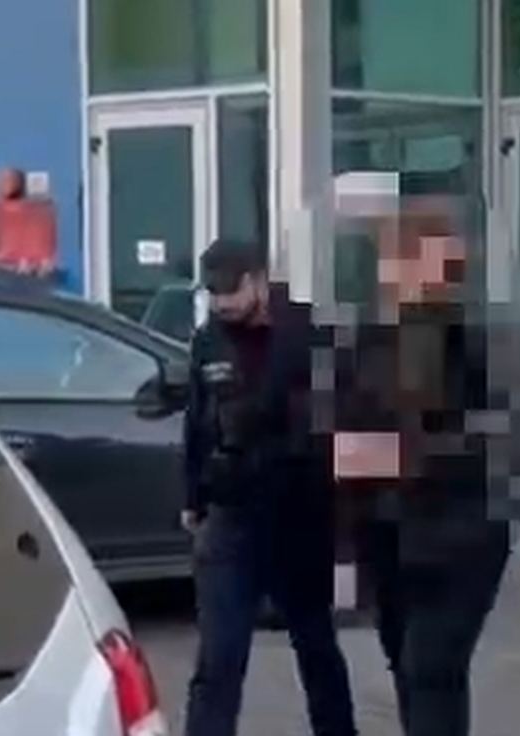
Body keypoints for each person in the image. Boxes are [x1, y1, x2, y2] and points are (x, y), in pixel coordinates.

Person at [331, 201, 520, 736]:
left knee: (431, 667)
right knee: (409, 666)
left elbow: (506, 438)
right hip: (387, 535)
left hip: (461, 534)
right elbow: (343, 421)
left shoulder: (478, 342)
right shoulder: (370, 339)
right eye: (398, 257)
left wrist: (408, 455)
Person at [181, 238, 356, 736]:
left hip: (298, 514)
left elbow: (346, 416)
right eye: (213, 293)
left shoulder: (308, 332)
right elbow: (196, 422)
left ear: (259, 280)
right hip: (232, 517)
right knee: (219, 658)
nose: (221, 303)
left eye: (230, 291)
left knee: (316, 645)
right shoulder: (209, 342)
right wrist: (192, 497)